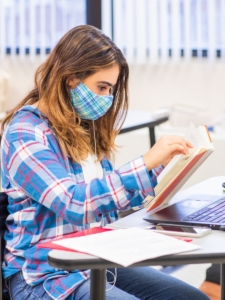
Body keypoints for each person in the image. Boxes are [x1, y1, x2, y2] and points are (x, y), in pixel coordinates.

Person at [1, 25, 209, 300]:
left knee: (192, 298)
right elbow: (74, 204)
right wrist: (144, 164)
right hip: (44, 274)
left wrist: (164, 172)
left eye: (110, 90)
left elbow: (106, 202)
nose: (107, 99)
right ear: (71, 77)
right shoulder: (25, 133)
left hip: (92, 257)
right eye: (102, 87)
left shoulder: (84, 129)